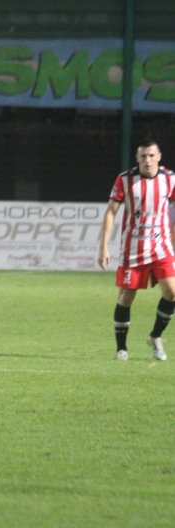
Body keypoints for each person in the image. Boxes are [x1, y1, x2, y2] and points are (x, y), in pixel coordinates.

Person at [99, 138, 175, 361]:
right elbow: (111, 211)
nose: (147, 160)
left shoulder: (170, 179)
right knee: (125, 297)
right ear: (137, 158)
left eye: (151, 155)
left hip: (161, 246)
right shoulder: (125, 179)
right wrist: (103, 247)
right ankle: (121, 349)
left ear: (159, 157)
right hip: (133, 248)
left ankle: (155, 336)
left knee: (172, 292)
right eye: (143, 156)